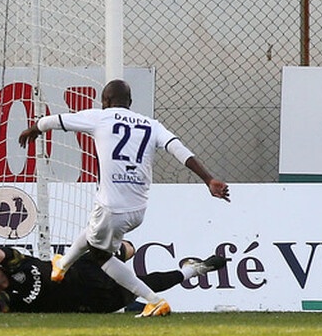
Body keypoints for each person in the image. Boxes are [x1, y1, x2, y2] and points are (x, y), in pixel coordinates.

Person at [17, 79, 230, 317]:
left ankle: (155, 300)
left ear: (105, 101)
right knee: (92, 231)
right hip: (138, 208)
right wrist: (208, 179)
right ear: (129, 102)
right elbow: (178, 149)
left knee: (100, 256)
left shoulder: (100, 117)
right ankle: (62, 266)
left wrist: (35, 128)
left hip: (112, 208)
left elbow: (54, 120)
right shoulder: (152, 125)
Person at [0, 236, 226, 314]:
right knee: (148, 284)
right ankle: (192, 270)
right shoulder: (3, 297)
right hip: (100, 302)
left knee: (93, 251)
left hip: (86, 271)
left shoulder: (15, 262)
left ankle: (191, 269)